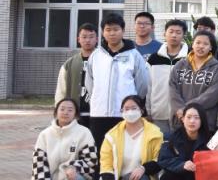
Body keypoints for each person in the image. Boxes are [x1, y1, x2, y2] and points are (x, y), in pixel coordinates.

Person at [93, 95, 163, 180]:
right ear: (122, 112)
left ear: (141, 110)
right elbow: (106, 164)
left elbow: (159, 160)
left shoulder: (155, 134)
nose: (130, 112)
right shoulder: (111, 136)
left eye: (133, 108)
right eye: (126, 109)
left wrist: (143, 168)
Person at [84, 13, 151, 150]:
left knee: (124, 151)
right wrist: (98, 98)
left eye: (116, 29)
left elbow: (142, 85)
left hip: (125, 114)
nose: (112, 33)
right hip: (99, 113)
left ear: (123, 31)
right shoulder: (96, 56)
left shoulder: (134, 55)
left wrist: (133, 103)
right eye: (108, 30)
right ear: (103, 32)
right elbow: (90, 83)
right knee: (101, 151)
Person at [32, 99, 97, 180]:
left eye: (70, 110)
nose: (65, 112)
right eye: (62, 109)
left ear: (76, 114)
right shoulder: (45, 135)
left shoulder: (84, 132)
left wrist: (73, 167)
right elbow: (39, 166)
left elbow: (91, 161)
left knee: (74, 179)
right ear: (56, 112)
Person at [158, 102, 210, 180]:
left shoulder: (210, 138)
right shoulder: (172, 137)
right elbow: (164, 159)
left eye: (196, 118)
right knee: (166, 178)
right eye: (189, 117)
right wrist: (182, 165)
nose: (192, 121)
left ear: (202, 120)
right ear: (182, 119)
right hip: (180, 175)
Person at [168, 31, 218, 132]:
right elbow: (172, 89)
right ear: (192, 44)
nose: (201, 46)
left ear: (211, 47)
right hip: (180, 119)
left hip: (205, 121)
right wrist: (180, 109)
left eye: (205, 44)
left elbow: (213, 94)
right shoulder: (180, 65)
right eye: (198, 43)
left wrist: (187, 109)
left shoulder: (217, 68)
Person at [147, 19, 189, 136]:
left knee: (181, 144)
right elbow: (148, 86)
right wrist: (148, 111)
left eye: (178, 32)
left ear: (184, 35)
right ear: (164, 34)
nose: (174, 35)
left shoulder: (190, 58)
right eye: (171, 32)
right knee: (160, 144)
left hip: (183, 114)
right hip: (158, 113)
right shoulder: (154, 59)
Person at [54, 23, 98, 130]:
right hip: (75, 114)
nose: (87, 40)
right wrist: (59, 112)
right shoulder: (69, 64)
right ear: (78, 39)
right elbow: (61, 91)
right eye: (84, 37)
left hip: (98, 114)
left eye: (91, 37)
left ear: (97, 39)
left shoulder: (104, 61)